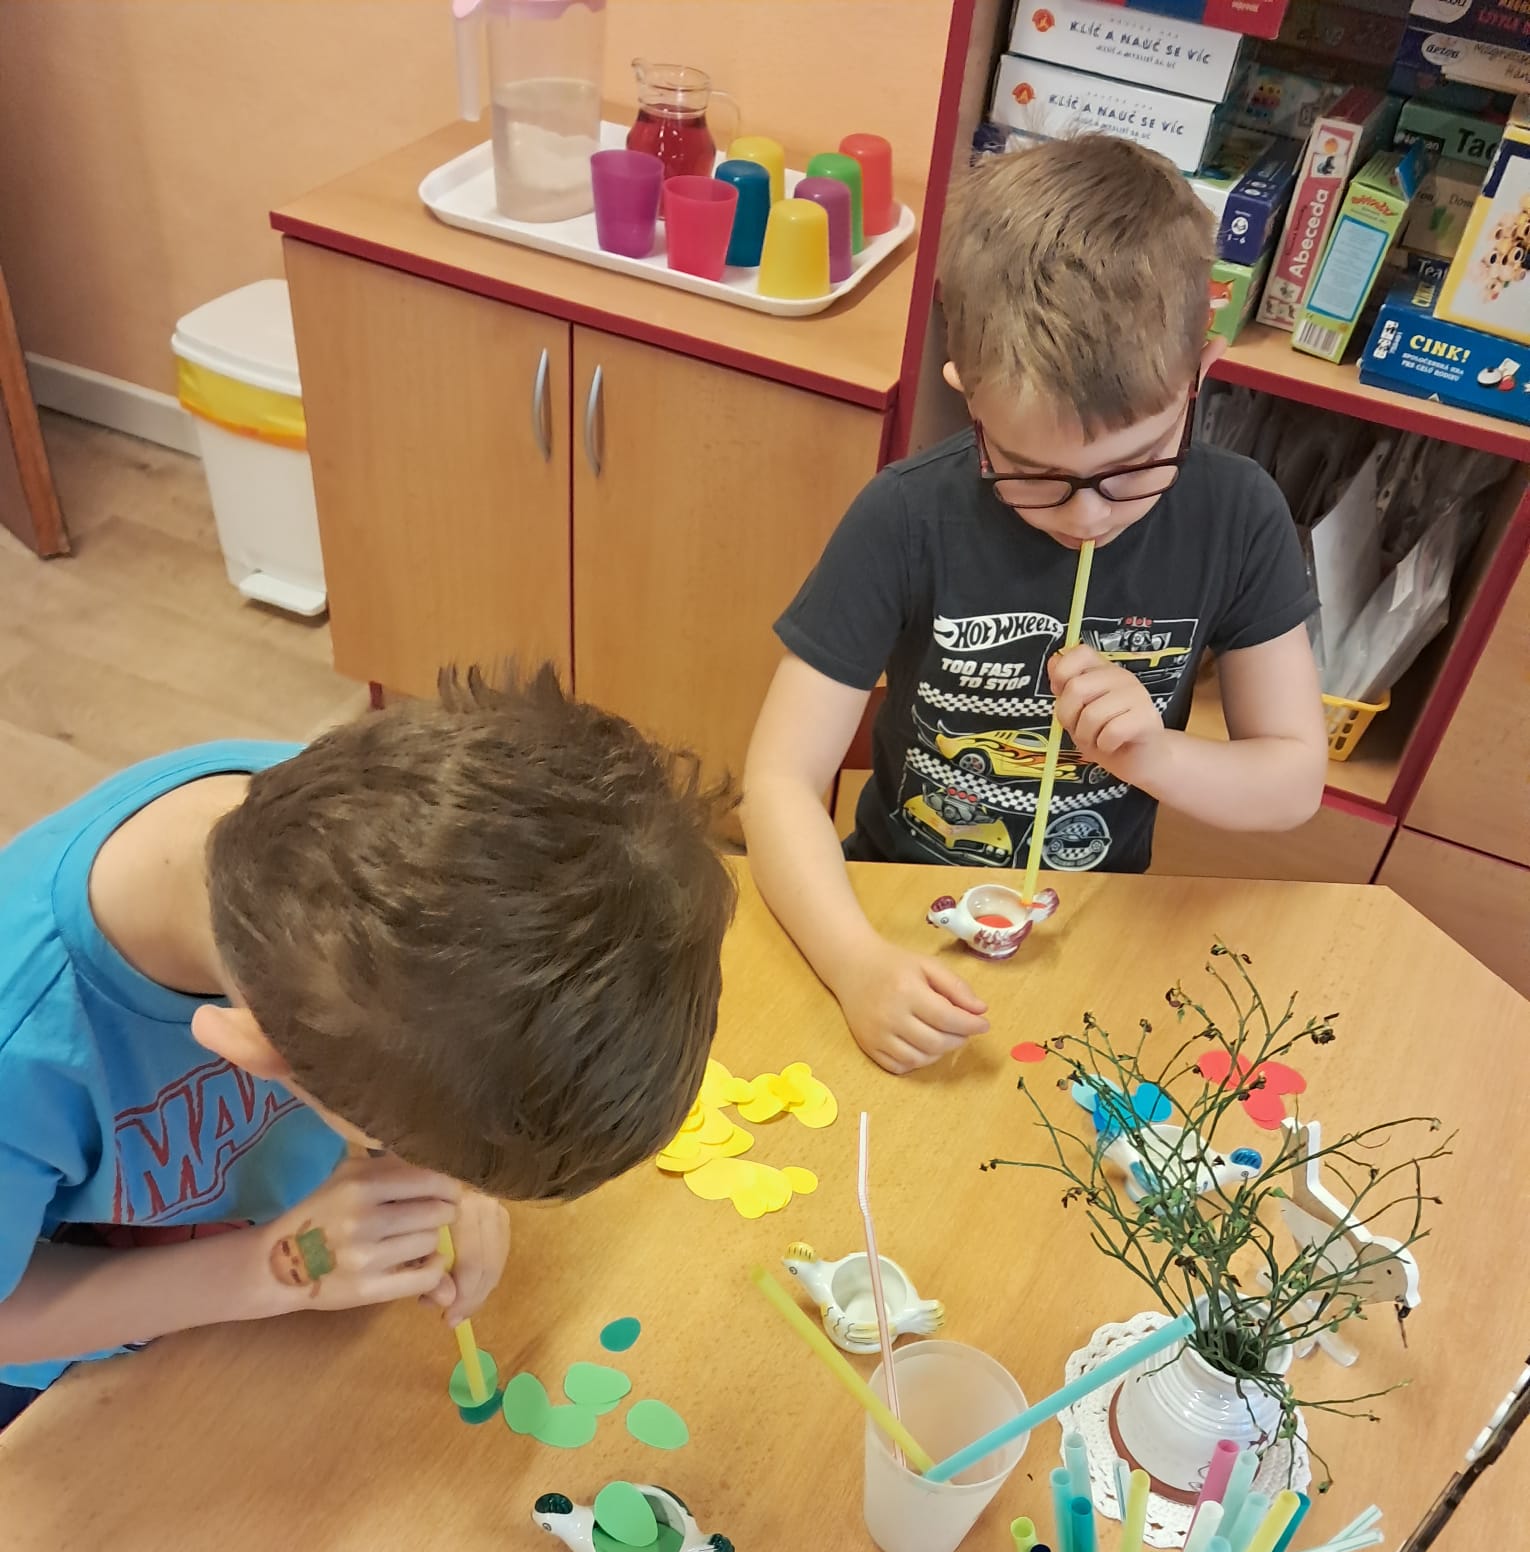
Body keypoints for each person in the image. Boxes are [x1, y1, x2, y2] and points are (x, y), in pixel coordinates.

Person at [0, 665, 734, 1421]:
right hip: (71, 1378)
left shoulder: (364, 823)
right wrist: (272, 1270)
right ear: (246, 1048)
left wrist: (457, 1179)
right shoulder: (20, 1045)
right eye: (399, 1141)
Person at [744, 136, 1326, 1076]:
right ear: (968, 394)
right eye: (1033, 473)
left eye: (1135, 466)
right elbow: (777, 780)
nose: (1088, 514)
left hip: (1095, 922)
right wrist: (854, 963)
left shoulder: (1238, 515)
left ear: (1201, 372)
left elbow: (1293, 779)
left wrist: (1154, 755)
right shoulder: (904, 516)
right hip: (895, 910)